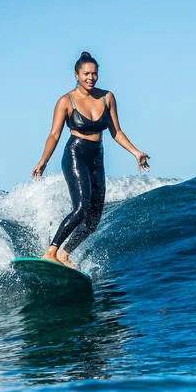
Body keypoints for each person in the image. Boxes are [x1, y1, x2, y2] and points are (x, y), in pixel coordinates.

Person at [31, 51, 150, 268]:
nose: (91, 78)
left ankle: (64, 254)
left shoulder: (107, 97)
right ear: (76, 74)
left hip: (97, 156)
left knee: (94, 218)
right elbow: (54, 135)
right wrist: (43, 160)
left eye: (94, 73)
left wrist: (136, 152)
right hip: (75, 154)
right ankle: (50, 251)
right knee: (81, 208)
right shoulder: (66, 101)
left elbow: (116, 132)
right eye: (86, 74)